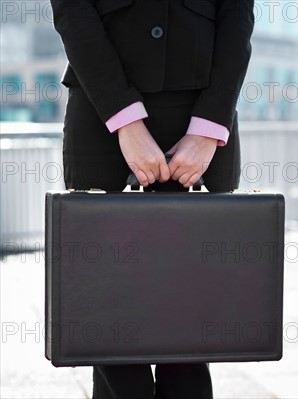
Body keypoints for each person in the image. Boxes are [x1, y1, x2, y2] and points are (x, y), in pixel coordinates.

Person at [49, 0, 255, 397]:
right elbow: (74, 13)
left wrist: (209, 128)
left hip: (201, 114)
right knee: (106, 303)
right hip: (99, 111)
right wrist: (124, 120)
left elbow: (238, 17)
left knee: (190, 308)